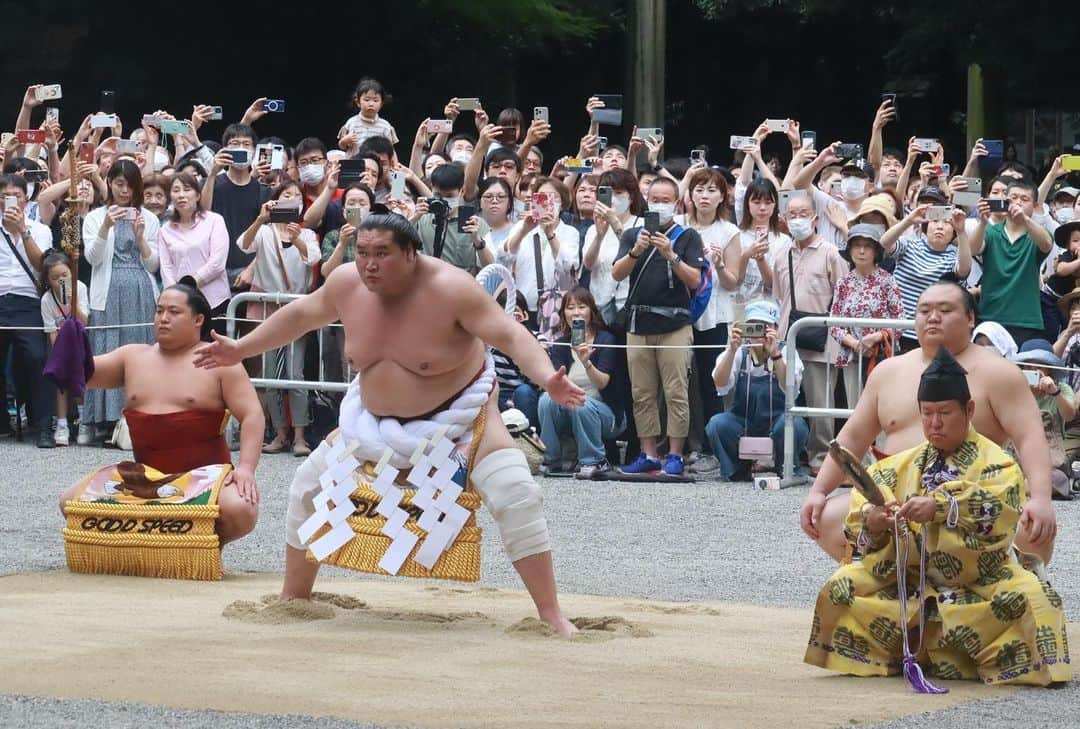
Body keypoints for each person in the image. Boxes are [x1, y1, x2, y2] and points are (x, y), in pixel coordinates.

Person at [194, 213, 585, 636]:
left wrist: (547, 377)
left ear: (411, 254)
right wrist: (242, 348)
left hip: (461, 419)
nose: (369, 265)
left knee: (516, 493)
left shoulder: (452, 289)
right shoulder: (345, 283)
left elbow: (509, 335)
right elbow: (302, 315)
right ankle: (295, 597)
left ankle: (550, 614)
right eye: (362, 253)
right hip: (370, 424)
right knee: (307, 486)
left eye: (382, 254)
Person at [804, 346, 1070, 686]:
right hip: (909, 581)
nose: (934, 423)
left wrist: (943, 508)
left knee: (1034, 603)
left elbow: (999, 510)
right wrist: (873, 521)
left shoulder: (997, 462)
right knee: (840, 588)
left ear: (969, 409)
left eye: (944, 412)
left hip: (977, 584)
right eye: (927, 413)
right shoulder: (900, 464)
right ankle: (902, 655)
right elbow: (860, 515)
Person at [801, 281, 1058, 567]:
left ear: (971, 318)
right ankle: (894, 584)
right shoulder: (888, 372)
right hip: (895, 502)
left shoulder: (1000, 373)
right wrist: (819, 492)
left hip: (973, 502)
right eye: (924, 310)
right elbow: (851, 440)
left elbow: (1030, 437)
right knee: (822, 519)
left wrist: (1041, 498)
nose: (933, 317)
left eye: (945, 310)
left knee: (1034, 530)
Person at [59, 278, 262, 546]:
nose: (163, 318)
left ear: (198, 319)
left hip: (203, 478)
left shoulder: (218, 361)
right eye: (159, 311)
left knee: (240, 510)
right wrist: (72, 338)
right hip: (143, 479)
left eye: (174, 312)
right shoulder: (133, 357)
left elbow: (252, 415)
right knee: (70, 503)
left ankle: (203, 544)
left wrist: (246, 468)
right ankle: (145, 546)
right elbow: (82, 374)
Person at [612, 176, 707, 476]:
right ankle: (649, 452)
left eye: (667, 200)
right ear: (646, 201)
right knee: (642, 392)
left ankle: (676, 453)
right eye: (656, 200)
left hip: (675, 323)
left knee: (676, 390)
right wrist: (636, 251)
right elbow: (616, 274)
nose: (660, 206)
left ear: (677, 203)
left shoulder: (688, 236)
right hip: (638, 323)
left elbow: (696, 281)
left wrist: (671, 255)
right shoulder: (631, 235)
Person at [81, 160, 161, 445]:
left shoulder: (148, 218)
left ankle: (138, 415)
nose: (124, 190)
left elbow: (153, 264)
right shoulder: (95, 216)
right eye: (118, 183)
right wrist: (105, 226)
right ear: (109, 184)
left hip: (140, 287)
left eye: (129, 184)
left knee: (140, 347)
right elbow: (92, 258)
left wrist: (141, 238)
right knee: (107, 347)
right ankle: (106, 419)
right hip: (108, 288)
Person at [237, 180, 320, 456]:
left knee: (295, 374)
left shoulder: (306, 235)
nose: (292, 199)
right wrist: (261, 218)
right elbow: (243, 245)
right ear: (275, 201)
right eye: (286, 195)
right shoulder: (265, 231)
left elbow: (313, 259)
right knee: (270, 373)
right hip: (267, 309)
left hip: (295, 310)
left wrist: (296, 240)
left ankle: (299, 436)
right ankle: (280, 433)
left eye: (297, 196)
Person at [773, 193, 849, 473]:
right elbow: (779, 296)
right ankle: (787, 456)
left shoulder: (830, 252)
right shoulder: (782, 254)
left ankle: (821, 458)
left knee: (821, 404)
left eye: (803, 213)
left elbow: (842, 296)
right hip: (787, 339)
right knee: (786, 399)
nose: (797, 220)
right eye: (791, 215)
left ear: (815, 219)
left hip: (822, 339)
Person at [706, 299, 808, 481]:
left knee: (794, 425)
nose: (757, 334)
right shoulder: (739, 351)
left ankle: (787, 467)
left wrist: (775, 355)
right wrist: (731, 349)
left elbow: (790, 389)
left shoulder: (786, 351)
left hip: (778, 421)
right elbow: (720, 383)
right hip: (745, 422)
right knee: (717, 424)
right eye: (752, 327)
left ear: (775, 328)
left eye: (763, 327)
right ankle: (736, 470)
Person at [538, 287, 626, 478]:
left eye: (581, 307)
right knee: (546, 399)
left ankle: (594, 460)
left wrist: (586, 361)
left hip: (607, 414)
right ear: (564, 314)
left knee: (580, 402)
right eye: (570, 307)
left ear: (591, 311)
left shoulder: (605, 340)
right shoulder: (561, 345)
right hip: (571, 409)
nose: (576, 312)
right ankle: (552, 458)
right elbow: (556, 387)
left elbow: (603, 383)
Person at [0, 173, 54, 446]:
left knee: (37, 356)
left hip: (27, 301)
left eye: (17, 196)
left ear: (26, 197)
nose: (11, 202)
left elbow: (42, 266)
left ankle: (44, 426)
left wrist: (23, 230)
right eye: (5, 197)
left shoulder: (40, 229)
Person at [881, 193, 972, 353]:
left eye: (947, 223)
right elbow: (884, 244)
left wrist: (962, 231)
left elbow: (964, 270)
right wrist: (908, 220)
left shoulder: (954, 255)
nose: (940, 226)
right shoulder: (909, 245)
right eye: (935, 221)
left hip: (932, 333)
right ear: (925, 226)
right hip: (897, 331)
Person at [971, 179, 1054, 348]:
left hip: (1026, 320)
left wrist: (1024, 219)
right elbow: (973, 249)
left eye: (1024, 199)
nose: (1017, 203)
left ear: (1035, 206)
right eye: (1013, 198)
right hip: (990, 317)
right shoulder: (991, 232)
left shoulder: (1037, 233)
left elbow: (1046, 244)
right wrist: (982, 222)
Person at [829, 224, 904, 405]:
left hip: (882, 356)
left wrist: (876, 338)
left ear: (876, 251)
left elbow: (900, 319)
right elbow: (834, 322)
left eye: (868, 246)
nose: (861, 251)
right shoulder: (843, 283)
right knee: (856, 410)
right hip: (852, 356)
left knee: (883, 408)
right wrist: (854, 343)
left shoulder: (887, 280)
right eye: (856, 245)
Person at [158, 173, 231, 334]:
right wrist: (177, 294)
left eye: (187, 189)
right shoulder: (165, 230)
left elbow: (217, 262)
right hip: (180, 305)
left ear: (198, 195)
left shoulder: (214, 221)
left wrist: (190, 285)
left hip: (214, 300)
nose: (181, 195)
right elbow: (166, 268)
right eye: (176, 190)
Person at [205, 123, 272, 296]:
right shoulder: (212, 184)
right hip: (213, 270)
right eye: (235, 144)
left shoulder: (264, 191)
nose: (241, 148)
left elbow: (272, 237)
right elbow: (202, 216)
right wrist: (212, 173)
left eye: (246, 144)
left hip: (253, 274)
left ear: (255, 151)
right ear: (225, 149)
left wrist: (252, 269)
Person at [1012, 340, 1077, 500]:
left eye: (1039, 367)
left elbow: (1070, 416)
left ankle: (1015, 487)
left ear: (1049, 368)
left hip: (1050, 458)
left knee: (1058, 479)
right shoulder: (1013, 389)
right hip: (1016, 455)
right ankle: (1021, 485)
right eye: (1028, 367)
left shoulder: (1061, 389)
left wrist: (1054, 392)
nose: (1033, 371)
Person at [582, 168, 645, 324]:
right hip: (599, 306)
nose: (613, 199)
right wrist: (599, 235)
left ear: (631, 197)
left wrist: (614, 222)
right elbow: (588, 264)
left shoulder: (641, 225)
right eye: (608, 193)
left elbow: (639, 256)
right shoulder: (594, 228)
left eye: (619, 193)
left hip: (629, 307)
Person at [40, 251, 88, 446]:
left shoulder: (81, 288)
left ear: (72, 273)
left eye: (64, 275)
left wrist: (73, 299)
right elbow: (51, 331)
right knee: (61, 383)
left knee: (81, 381)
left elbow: (84, 321)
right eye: (55, 277)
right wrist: (59, 356)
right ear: (48, 280)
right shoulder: (47, 300)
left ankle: (84, 421)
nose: (60, 280)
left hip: (81, 345)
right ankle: (62, 425)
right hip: (60, 348)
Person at [417, 163, 492, 275]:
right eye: (438, 195)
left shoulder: (470, 221)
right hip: (427, 284)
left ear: (461, 191)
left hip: (462, 287)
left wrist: (477, 240)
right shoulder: (422, 218)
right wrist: (414, 217)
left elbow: (490, 267)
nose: (443, 200)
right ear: (431, 188)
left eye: (449, 196)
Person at [337, 77, 399, 156]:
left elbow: (391, 150)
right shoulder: (351, 123)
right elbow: (342, 146)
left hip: (375, 166)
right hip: (354, 165)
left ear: (381, 104)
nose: (371, 104)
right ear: (358, 102)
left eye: (375, 100)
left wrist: (395, 164)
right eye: (367, 100)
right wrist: (345, 140)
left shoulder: (385, 126)